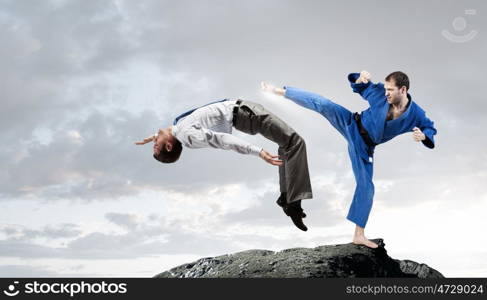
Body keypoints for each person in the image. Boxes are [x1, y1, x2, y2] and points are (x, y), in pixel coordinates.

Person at [261, 70, 437, 248]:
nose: (386, 93)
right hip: (351, 123)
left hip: (364, 147)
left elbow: (429, 127)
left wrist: (424, 136)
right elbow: (362, 86)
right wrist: (360, 79)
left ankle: (359, 236)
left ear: (403, 89)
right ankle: (280, 91)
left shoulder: (416, 113)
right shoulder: (379, 94)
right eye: (385, 89)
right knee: (323, 103)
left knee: (366, 187)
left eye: (390, 90)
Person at [134, 99, 313, 231]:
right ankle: (293, 204)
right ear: (169, 145)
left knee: (287, 145)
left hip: (242, 114)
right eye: (156, 145)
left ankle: (287, 198)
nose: (154, 141)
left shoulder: (179, 129)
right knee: (296, 142)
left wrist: (156, 136)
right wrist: (258, 151)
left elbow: (171, 129)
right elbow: (223, 140)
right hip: (244, 113)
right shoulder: (187, 135)